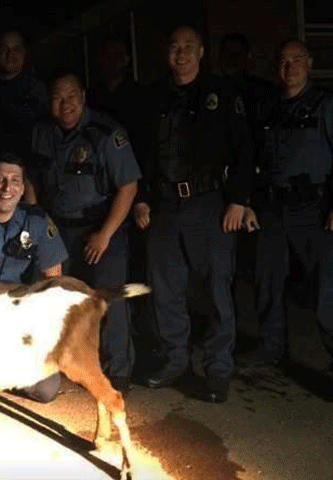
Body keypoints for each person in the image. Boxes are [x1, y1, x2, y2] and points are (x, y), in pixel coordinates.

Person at [133, 26, 253, 403]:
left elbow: (245, 150)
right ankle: (174, 362)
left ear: (202, 52)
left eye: (188, 48)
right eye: (174, 47)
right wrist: (141, 198)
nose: (181, 54)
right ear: (166, 52)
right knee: (165, 291)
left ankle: (218, 370)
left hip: (209, 203)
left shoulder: (221, 94)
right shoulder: (153, 95)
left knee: (218, 289)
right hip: (164, 205)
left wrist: (239, 200)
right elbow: (141, 153)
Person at [31, 72, 141, 394]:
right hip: (59, 230)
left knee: (108, 300)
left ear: (83, 96)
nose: (64, 105)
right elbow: (33, 180)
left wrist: (105, 233)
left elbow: (129, 186)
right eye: (56, 98)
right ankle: (64, 363)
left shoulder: (106, 133)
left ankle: (117, 370)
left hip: (101, 229)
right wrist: (39, 221)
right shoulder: (41, 133)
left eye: (70, 97)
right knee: (58, 300)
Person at [240, 40, 333, 374]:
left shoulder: (325, 105)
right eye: (283, 61)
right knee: (268, 283)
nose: (289, 67)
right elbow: (252, 160)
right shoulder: (267, 108)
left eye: (296, 60)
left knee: (326, 290)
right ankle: (270, 348)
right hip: (272, 209)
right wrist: (248, 202)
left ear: (309, 63)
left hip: (315, 210)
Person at [0, 147, 69, 418]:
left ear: (22, 188)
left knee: (47, 389)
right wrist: (17, 291)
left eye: (15, 180)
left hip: (20, 312)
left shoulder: (37, 221)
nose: (7, 187)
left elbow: (54, 282)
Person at [0, 30, 48, 144]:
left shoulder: (38, 88)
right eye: (4, 49)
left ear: (24, 52)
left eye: (16, 49)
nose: (10, 54)